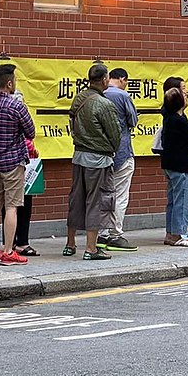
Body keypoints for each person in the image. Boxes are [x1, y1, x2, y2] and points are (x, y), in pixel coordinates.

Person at [63, 64, 122, 259]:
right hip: (99, 159)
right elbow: (115, 135)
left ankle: (70, 244)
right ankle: (91, 248)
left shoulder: (79, 97)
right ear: (105, 79)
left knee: (76, 199)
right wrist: (111, 148)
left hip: (79, 156)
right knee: (96, 201)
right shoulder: (105, 105)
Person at [0, 64, 35, 266]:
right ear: (10, 83)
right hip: (13, 161)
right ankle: (8, 251)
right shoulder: (16, 106)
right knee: (12, 206)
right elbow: (30, 131)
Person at [98, 67, 139, 252]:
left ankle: (102, 233)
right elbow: (133, 120)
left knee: (104, 195)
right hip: (122, 151)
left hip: (101, 154)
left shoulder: (98, 94)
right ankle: (115, 234)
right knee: (120, 196)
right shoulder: (123, 96)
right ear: (122, 79)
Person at [160, 86, 188, 246]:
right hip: (182, 165)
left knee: (172, 200)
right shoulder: (180, 121)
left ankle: (171, 232)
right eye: (184, 96)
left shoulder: (168, 117)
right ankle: (178, 234)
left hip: (170, 164)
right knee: (182, 200)